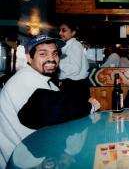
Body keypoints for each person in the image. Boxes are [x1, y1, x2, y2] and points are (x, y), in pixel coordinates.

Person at [0, 35, 100, 169]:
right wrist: (89, 106)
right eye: (43, 54)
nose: (51, 59)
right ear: (29, 58)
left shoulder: (43, 80)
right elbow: (55, 110)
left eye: (55, 53)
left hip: (37, 154)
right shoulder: (24, 80)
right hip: (21, 162)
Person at [58, 21, 90, 102]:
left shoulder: (75, 45)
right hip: (72, 85)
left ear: (73, 33)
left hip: (76, 87)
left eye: (63, 30)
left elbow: (75, 69)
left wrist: (57, 64)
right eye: (60, 30)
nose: (60, 33)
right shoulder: (67, 46)